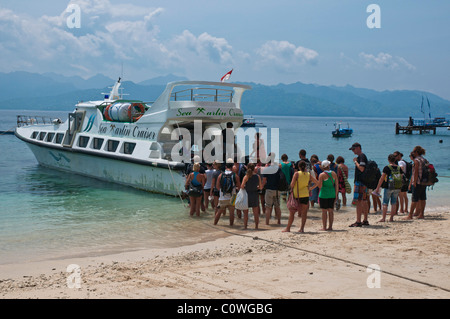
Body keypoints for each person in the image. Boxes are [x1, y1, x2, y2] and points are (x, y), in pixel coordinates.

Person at [283, 160, 318, 233]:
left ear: (298, 167)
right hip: (305, 195)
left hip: (296, 195)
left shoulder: (296, 174)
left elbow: (292, 185)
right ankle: (302, 229)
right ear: (305, 167)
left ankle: (288, 228)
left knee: (292, 213)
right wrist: (310, 188)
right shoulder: (308, 174)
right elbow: (317, 183)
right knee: (304, 213)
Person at [373, 154, 403, 222]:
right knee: (394, 203)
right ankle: (391, 218)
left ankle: (383, 218)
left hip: (388, 187)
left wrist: (378, 188)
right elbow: (401, 178)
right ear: (395, 160)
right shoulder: (399, 168)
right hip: (397, 187)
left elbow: (382, 178)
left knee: (385, 203)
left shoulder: (387, 167)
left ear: (388, 160)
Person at [214, 158, 241, 226]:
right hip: (233, 196)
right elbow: (239, 187)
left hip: (222, 197)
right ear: (232, 167)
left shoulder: (221, 175)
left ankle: (214, 225)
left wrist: (222, 190)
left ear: (226, 167)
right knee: (232, 213)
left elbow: (217, 187)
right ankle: (231, 226)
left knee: (219, 212)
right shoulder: (235, 175)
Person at [349, 143, 370, 227]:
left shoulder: (361, 156)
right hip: (364, 182)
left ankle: (358, 221)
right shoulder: (363, 156)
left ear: (358, 148)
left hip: (360, 182)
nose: (353, 151)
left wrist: (355, 162)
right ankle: (365, 220)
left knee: (358, 201)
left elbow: (361, 168)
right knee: (364, 201)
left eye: (354, 149)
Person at [317, 160, 339, 231]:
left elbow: (320, 186)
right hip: (332, 193)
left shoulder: (322, 175)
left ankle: (324, 227)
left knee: (324, 211)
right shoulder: (334, 173)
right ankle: (330, 227)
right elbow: (337, 185)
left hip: (323, 194)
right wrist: (336, 194)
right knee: (331, 211)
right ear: (328, 166)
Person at [240, 163, 262, 229]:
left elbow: (242, 186)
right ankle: (256, 227)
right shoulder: (257, 176)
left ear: (247, 168)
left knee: (245, 213)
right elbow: (260, 187)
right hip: (255, 195)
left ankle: (245, 227)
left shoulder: (246, 176)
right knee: (255, 213)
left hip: (247, 195)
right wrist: (257, 187)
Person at [262, 153, 282, 225]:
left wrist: (261, 187)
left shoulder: (267, 169)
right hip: (277, 190)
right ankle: (279, 221)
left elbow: (264, 181)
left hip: (269, 189)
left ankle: (267, 223)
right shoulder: (278, 169)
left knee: (268, 207)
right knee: (277, 207)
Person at [410, 146, 428, 219]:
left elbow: (416, 172)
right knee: (423, 198)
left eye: (414, 151)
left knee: (414, 199)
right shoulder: (424, 159)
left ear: (416, 152)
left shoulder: (416, 160)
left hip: (418, 181)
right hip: (424, 181)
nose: (413, 152)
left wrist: (414, 182)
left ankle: (410, 215)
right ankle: (421, 214)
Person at [394, 151, 409, 215]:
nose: (395, 157)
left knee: (400, 195)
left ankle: (402, 209)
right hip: (405, 180)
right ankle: (405, 209)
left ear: (399, 155)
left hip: (401, 180)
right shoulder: (404, 162)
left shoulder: (400, 162)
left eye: (395, 156)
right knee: (404, 195)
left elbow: (401, 170)